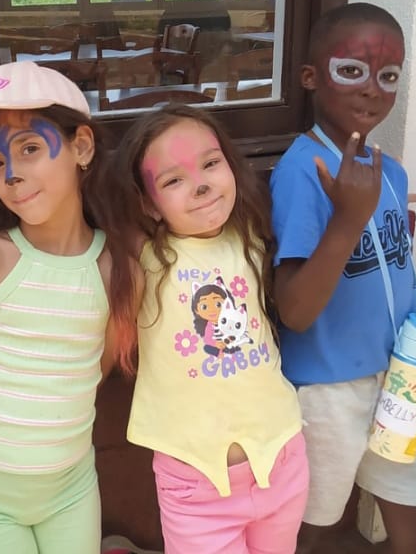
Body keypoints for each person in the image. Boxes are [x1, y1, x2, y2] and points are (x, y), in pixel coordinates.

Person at [268, 3, 416, 554]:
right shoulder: (305, 171)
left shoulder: (387, 171)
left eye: (388, 76)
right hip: (328, 392)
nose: (372, 89)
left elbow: (402, 284)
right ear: (310, 77)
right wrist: (347, 219)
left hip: (400, 381)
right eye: (352, 71)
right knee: (311, 527)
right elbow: (295, 311)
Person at [100, 103, 308, 554]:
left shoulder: (252, 237)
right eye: (172, 180)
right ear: (147, 204)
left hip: (282, 459)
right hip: (195, 482)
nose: (200, 184)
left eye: (211, 164)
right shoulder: (145, 261)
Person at [0, 61, 114, 554]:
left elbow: (97, 367)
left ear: (81, 146)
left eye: (30, 148)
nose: (11, 174)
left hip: (71, 487)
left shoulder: (116, 268)